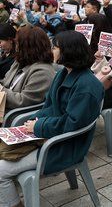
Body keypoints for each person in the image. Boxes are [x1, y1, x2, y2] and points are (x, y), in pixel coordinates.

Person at [0, 30, 104, 207]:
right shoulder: (64, 73)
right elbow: (48, 106)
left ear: (68, 52)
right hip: (49, 137)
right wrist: (31, 123)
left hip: (64, 147)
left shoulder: (87, 86)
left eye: (55, 47)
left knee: (1, 171)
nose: (51, 50)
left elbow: (72, 124)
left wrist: (39, 126)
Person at [1, 25, 55, 112]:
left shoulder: (43, 72)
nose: (16, 47)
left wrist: (1, 90)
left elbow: (22, 101)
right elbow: (5, 82)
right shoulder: (20, 62)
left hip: (14, 116)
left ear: (28, 47)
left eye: (18, 44)